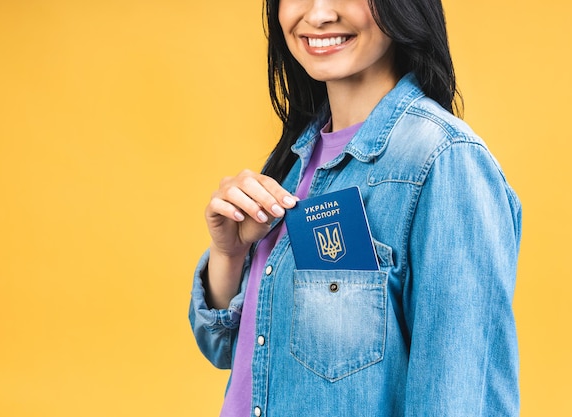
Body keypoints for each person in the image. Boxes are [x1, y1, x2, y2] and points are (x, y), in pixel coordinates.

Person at [189, 0, 522, 415]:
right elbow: (225, 350)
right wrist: (229, 253)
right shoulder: (295, 163)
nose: (319, 13)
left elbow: (459, 398)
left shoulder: (445, 161)